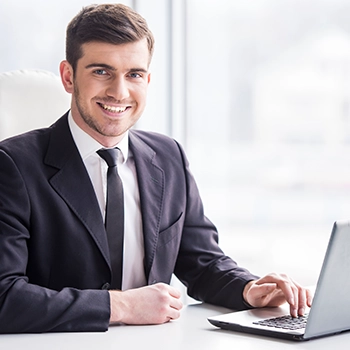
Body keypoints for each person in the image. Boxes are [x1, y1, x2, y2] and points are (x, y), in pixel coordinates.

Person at [0, 3, 312, 333]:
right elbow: (5, 297)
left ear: (147, 80)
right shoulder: (13, 165)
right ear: (68, 76)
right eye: (101, 71)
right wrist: (121, 305)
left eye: (133, 74)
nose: (119, 92)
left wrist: (249, 289)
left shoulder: (168, 156)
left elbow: (202, 262)